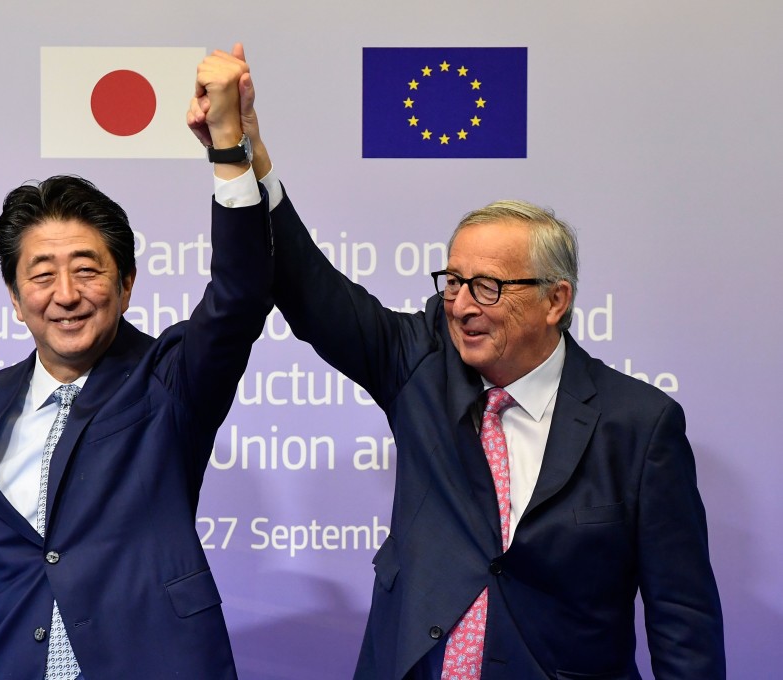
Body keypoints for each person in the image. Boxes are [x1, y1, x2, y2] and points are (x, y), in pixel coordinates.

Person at [188, 47, 726, 679]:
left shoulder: (640, 424)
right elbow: (310, 292)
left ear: (557, 300)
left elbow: (682, 619)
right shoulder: (421, 361)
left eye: (488, 287)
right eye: (453, 281)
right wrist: (247, 154)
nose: (462, 305)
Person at [0, 64, 271, 679]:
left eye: (87, 269)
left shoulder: (167, 380)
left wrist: (229, 151)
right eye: (42, 273)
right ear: (14, 294)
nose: (66, 294)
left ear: (126, 283)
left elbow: (238, 297)